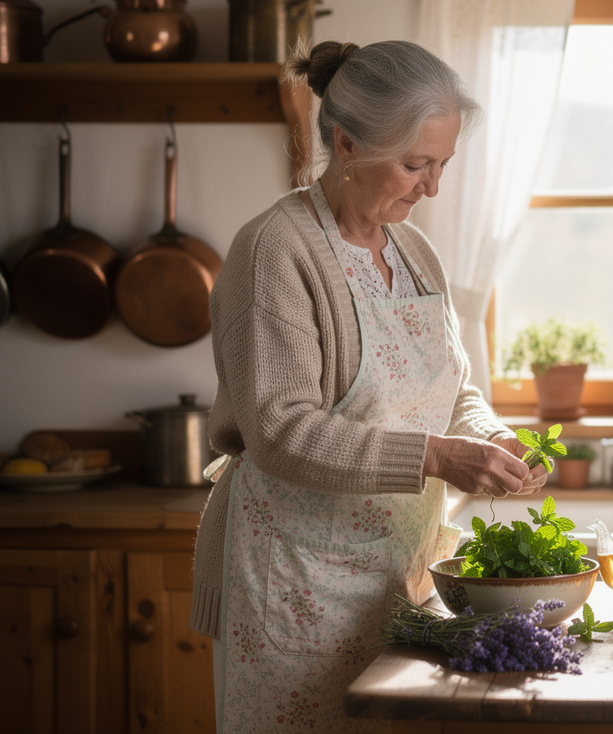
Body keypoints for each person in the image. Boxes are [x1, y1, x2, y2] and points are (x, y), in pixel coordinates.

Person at [190, 40, 548, 732]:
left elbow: (453, 390)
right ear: (348, 144)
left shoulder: (415, 253)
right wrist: (438, 456)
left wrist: (493, 436)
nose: (431, 187)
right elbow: (283, 431)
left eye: (442, 164)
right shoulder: (275, 250)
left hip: (399, 577)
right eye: (415, 164)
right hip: (295, 584)